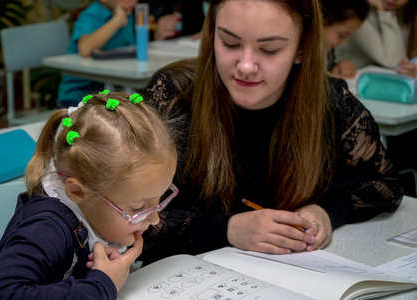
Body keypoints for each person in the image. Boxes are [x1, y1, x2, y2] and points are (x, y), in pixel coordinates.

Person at [139, 0, 404, 265]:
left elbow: (384, 184)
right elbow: (127, 215)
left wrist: (326, 211)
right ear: (212, 34)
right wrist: (228, 229)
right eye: (229, 43)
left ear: (302, 47)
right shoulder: (173, 97)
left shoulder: (330, 102)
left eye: (269, 49)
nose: (245, 65)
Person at [0, 91, 177, 299]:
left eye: (160, 198)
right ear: (77, 192)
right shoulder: (46, 230)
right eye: (138, 208)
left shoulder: (102, 208)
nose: (155, 218)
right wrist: (102, 285)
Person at [58, 0, 138, 107]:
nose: (132, 2)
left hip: (112, 91)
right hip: (79, 96)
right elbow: (85, 48)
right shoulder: (90, 15)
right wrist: (117, 21)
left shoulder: (127, 14)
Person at [335, 0, 417, 78]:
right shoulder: (358, 9)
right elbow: (394, 62)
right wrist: (385, 12)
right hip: (353, 77)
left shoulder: (406, 11)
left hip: (381, 80)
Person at [319, 0, 369, 77]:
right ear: (321, 20)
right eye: (342, 35)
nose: (344, 42)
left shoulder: (325, 51)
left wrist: (336, 67)